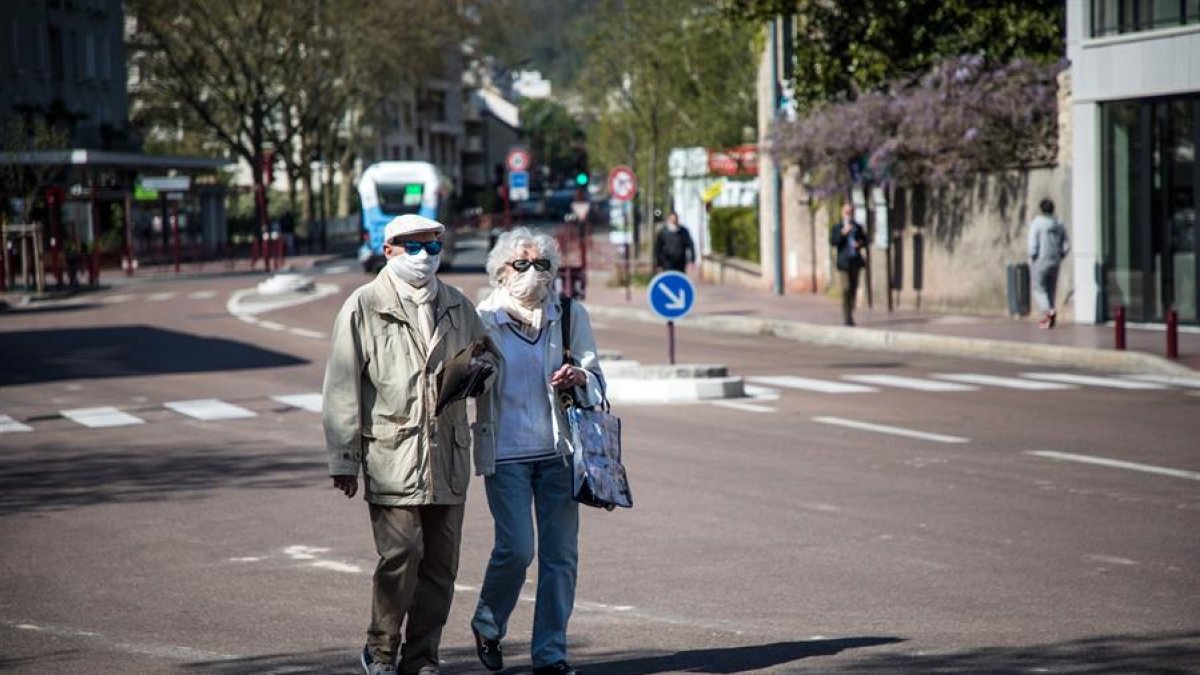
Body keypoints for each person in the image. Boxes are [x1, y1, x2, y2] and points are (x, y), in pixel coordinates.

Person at [322, 213, 493, 675]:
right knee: (401, 554)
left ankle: (421, 660)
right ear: (388, 250)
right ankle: (380, 650)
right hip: (392, 454)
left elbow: (488, 361)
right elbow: (341, 386)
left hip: (448, 456)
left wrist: (480, 374)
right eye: (412, 247)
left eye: (432, 248)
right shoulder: (363, 306)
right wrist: (344, 458)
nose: (423, 257)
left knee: (441, 567)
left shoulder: (459, 305)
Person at [469, 227, 605, 675]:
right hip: (505, 453)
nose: (533, 273)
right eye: (522, 264)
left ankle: (550, 656)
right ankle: (489, 622)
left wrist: (580, 379)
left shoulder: (568, 315)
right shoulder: (482, 318)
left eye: (542, 264)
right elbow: (459, 382)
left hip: (559, 453)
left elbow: (598, 379)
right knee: (517, 549)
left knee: (560, 557)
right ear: (500, 272)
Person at [1028, 198, 1070, 329]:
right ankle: (1050, 317)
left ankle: (1048, 312)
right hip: (1055, 260)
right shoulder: (1059, 223)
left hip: (1041, 260)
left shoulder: (1037, 223)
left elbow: (1033, 243)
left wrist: (1033, 255)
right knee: (1051, 289)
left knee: (1038, 288)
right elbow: (1066, 244)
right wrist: (1061, 255)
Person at [829, 203, 868, 326]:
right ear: (842, 213)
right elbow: (833, 241)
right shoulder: (838, 227)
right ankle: (847, 316)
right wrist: (842, 233)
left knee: (853, 288)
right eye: (846, 212)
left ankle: (850, 311)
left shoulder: (857, 226)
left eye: (850, 212)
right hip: (844, 263)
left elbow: (865, 240)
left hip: (855, 260)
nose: (848, 214)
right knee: (845, 288)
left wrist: (860, 244)